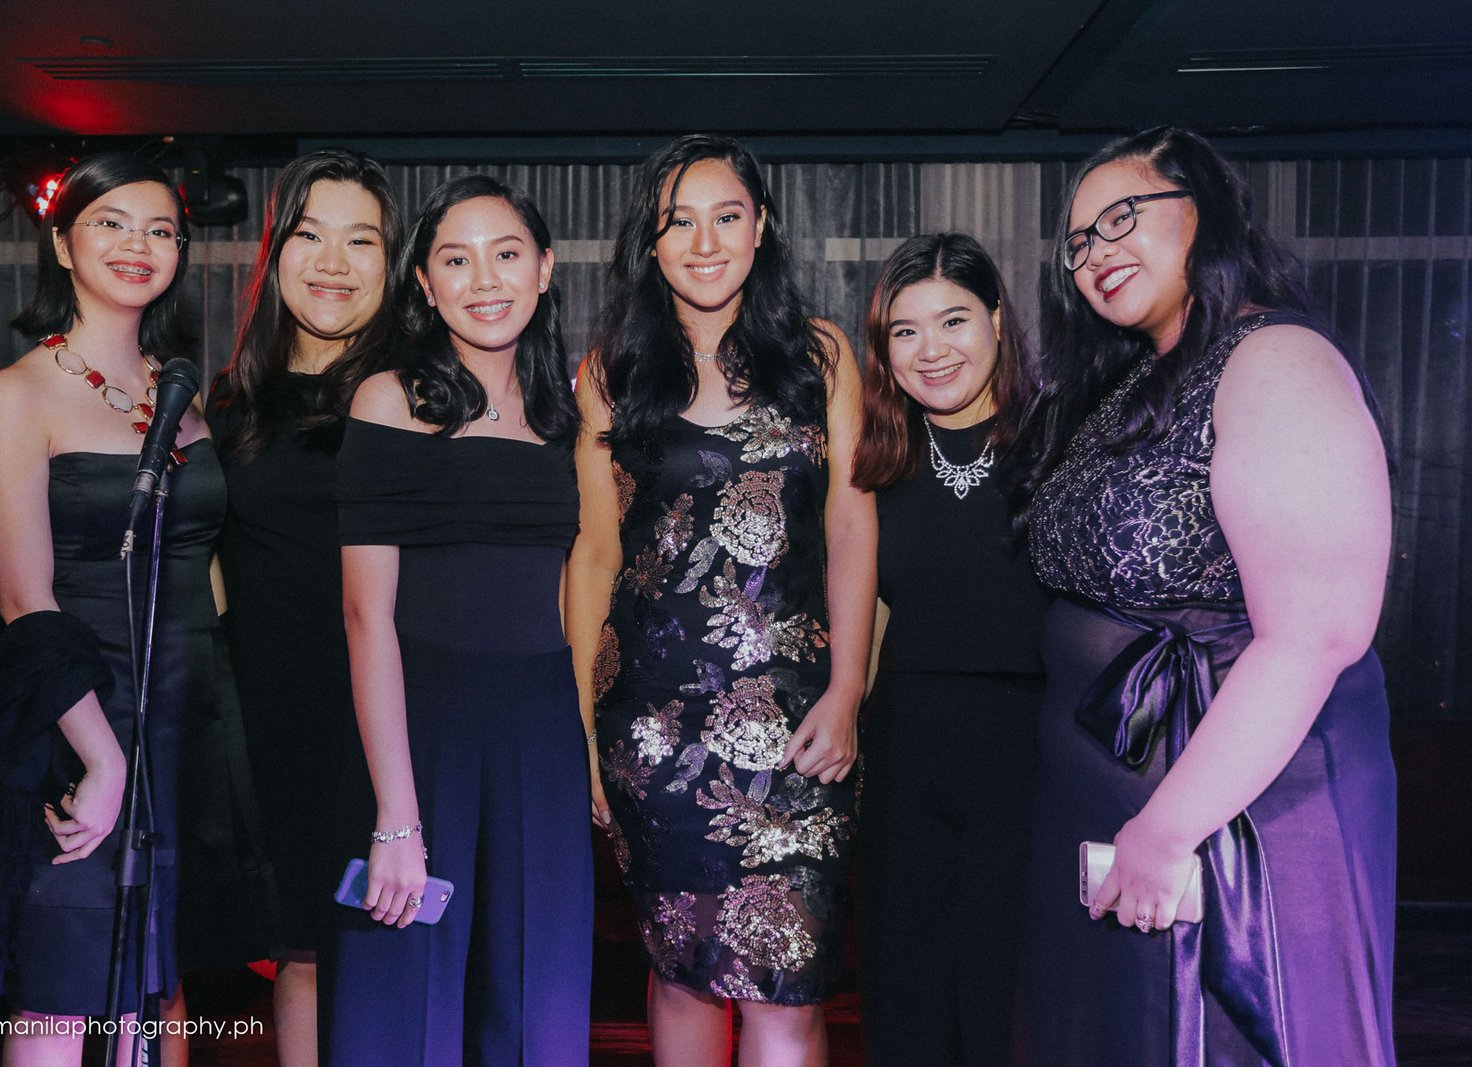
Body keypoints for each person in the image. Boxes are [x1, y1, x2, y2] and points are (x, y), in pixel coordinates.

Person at [1016, 126, 1395, 1065]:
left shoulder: (1275, 358)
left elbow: (1316, 633)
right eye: (1079, 241)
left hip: (1236, 815)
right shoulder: (1142, 374)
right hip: (1120, 806)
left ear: (1207, 213)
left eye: (1122, 218)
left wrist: (1169, 824)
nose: (1096, 253)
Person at [0, 152, 263, 1066]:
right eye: (111, 223)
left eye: (161, 229)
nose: (138, 244)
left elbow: (206, 567)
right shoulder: (16, 396)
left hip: (190, 722)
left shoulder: (182, 394)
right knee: (63, 990)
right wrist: (103, 756)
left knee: (163, 986)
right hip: (81, 715)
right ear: (62, 243)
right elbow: (25, 598)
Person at [569, 133, 876, 1066]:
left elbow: (853, 525)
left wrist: (848, 691)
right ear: (651, 241)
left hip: (798, 724)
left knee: (789, 985)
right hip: (651, 726)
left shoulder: (821, 356)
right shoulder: (610, 373)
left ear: (762, 226)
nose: (704, 242)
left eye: (726, 216)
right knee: (682, 973)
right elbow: (595, 556)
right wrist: (583, 732)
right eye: (679, 222)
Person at [322, 174, 592, 1065]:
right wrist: (397, 815)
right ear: (425, 285)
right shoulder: (389, 399)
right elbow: (365, 615)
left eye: (506, 253)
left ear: (545, 267)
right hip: (421, 724)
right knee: (403, 1010)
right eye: (456, 259)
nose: (485, 279)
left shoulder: (567, 415)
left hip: (542, 731)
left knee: (541, 1007)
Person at [207, 148, 407, 1067]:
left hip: (392, 717)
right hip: (269, 718)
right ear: (275, 252)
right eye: (309, 235)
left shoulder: (417, 398)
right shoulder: (231, 403)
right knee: (299, 952)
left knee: (392, 951)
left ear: (392, 263)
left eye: (360, 240)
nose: (332, 262)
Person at [849, 233, 1048, 1065]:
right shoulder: (874, 458)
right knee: (909, 1006)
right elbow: (861, 617)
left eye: (953, 320)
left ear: (997, 319)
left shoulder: (1059, 441)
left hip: (1032, 759)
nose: (931, 349)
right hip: (907, 758)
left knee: (1009, 1007)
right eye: (906, 330)